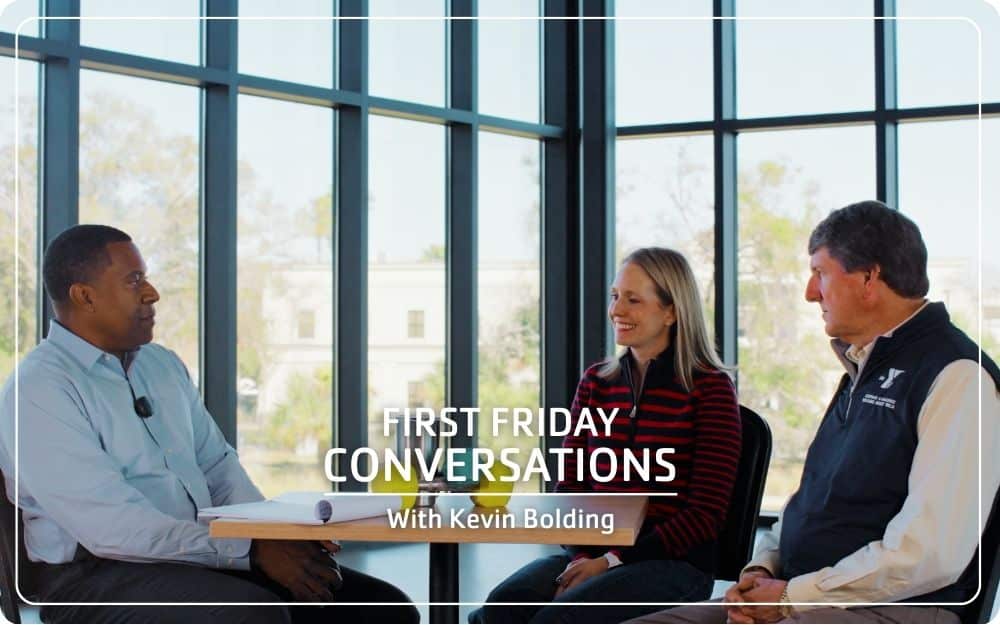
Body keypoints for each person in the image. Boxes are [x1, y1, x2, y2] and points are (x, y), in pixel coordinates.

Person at [0, 224, 420, 624]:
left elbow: (218, 466)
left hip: (196, 554)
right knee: (252, 616)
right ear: (85, 297)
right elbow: (112, 529)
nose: (152, 293)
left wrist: (275, 535)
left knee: (382, 608)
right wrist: (251, 552)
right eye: (134, 280)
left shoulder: (162, 366)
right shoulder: (39, 390)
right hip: (93, 578)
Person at [631, 200, 1000, 624]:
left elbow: (929, 554)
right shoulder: (861, 371)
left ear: (868, 278)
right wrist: (761, 569)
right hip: (808, 594)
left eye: (820, 273)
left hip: (898, 608)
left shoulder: (957, 376)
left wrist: (790, 596)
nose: (810, 293)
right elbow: (809, 503)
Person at [470, 247, 742, 624]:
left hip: (673, 564)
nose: (617, 310)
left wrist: (613, 561)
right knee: (500, 609)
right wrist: (584, 557)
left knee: (556, 620)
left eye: (633, 299)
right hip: (591, 555)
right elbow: (568, 487)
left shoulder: (710, 389)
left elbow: (705, 515)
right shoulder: (596, 382)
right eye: (615, 296)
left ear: (671, 311)